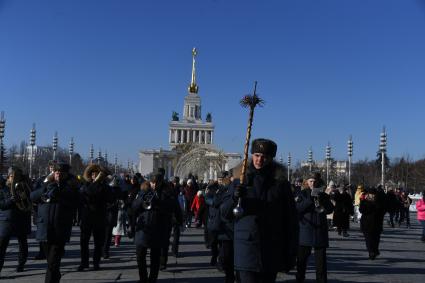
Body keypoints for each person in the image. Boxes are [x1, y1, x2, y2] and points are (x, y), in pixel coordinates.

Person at [224, 138, 299, 283]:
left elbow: (290, 219)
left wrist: (291, 251)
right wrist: (234, 196)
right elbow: (224, 213)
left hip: (271, 248)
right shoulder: (240, 180)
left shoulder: (280, 183)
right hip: (246, 250)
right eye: (257, 155)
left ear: (271, 158)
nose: (260, 160)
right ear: (252, 155)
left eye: (264, 156)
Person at [30, 162, 80, 283]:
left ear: (66, 174)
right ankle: (56, 276)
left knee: (52, 263)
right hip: (44, 227)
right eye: (56, 173)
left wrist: (59, 192)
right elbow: (32, 197)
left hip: (60, 228)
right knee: (51, 262)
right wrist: (46, 187)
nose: (58, 175)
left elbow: (76, 201)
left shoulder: (71, 186)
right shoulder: (45, 182)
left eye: (60, 173)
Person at [295, 172, 334, 283]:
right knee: (301, 261)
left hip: (319, 230)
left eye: (315, 181)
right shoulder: (302, 194)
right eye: (311, 181)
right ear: (307, 182)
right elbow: (298, 208)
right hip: (305, 230)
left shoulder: (322, 194)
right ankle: (300, 278)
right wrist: (309, 200)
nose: (313, 183)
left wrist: (324, 200)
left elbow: (330, 209)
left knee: (321, 263)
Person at [78, 164, 112, 271]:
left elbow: (110, 198)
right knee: (84, 242)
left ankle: (96, 262)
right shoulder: (86, 185)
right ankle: (84, 262)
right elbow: (88, 192)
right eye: (92, 173)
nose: (94, 175)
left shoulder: (105, 186)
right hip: (87, 217)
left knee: (98, 243)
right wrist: (96, 183)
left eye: (96, 174)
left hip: (99, 217)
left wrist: (100, 183)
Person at [0, 167, 32, 275]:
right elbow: (1, 204)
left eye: (16, 176)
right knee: (2, 246)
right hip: (7, 221)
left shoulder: (23, 186)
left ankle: (21, 264)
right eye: (12, 176)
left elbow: (30, 200)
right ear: (8, 176)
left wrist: (24, 197)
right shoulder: (3, 188)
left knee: (22, 243)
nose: (14, 178)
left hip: (21, 219)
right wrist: (11, 200)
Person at [359, 186, 387, 260]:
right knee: (368, 239)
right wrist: (367, 204)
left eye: (373, 194)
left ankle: (375, 250)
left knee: (376, 239)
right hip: (366, 223)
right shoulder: (364, 201)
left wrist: (376, 206)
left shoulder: (379, 201)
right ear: (368, 194)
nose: (372, 195)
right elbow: (361, 210)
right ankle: (371, 251)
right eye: (371, 194)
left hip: (377, 223)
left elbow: (383, 210)